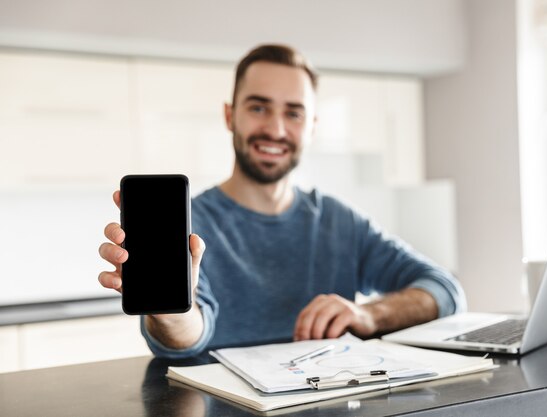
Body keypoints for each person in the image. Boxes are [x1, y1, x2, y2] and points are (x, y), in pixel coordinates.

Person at [98, 44, 466, 358]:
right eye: (258, 108)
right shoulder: (192, 223)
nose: (275, 129)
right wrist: (169, 310)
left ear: (312, 126)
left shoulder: (338, 221)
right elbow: (187, 338)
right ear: (230, 116)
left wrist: (369, 314)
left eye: (293, 112)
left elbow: (444, 291)